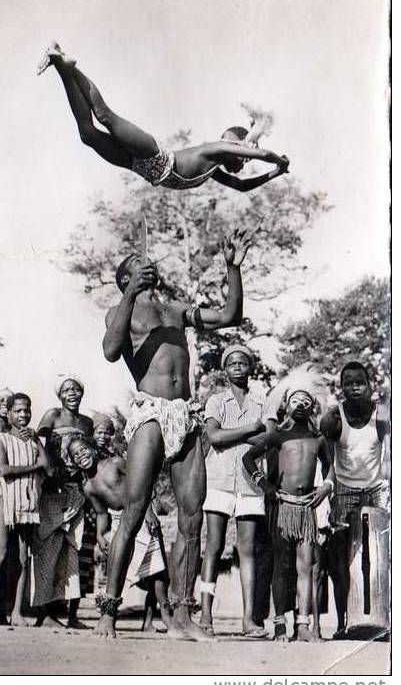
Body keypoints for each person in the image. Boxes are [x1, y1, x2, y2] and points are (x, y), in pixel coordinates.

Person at [96, 229, 251, 640]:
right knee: (133, 511)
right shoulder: (121, 312)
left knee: (192, 515)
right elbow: (111, 351)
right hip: (150, 412)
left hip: (185, 413)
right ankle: (108, 611)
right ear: (124, 278)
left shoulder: (175, 309)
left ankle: (182, 615)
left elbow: (229, 317)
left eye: (145, 262)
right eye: (134, 264)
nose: (146, 264)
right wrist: (130, 293)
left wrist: (233, 269)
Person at [37, 42, 289, 193]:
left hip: (136, 165)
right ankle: (71, 66)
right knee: (104, 115)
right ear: (239, 150)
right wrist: (279, 161)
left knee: (87, 134)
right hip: (152, 154)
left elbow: (241, 186)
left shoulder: (213, 170)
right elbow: (265, 155)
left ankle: (62, 66)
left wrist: (277, 173)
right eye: (242, 159)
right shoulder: (216, 149)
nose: (241, 166)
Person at [243, 385, 335, 642]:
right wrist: (266, 485)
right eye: (296, 400)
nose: (301, 404)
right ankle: (281, 624)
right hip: (283, 506)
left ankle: (302, 625)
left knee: (305, 566)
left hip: (306, 508)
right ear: (286, 405)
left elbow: (330, 469)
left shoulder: (318, 439)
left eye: (306, 400)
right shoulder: (277, 436)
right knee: (282, 567)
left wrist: (326, 487)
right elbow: (248, 459)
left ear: (313, 406)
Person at [199, 344, 277, 638]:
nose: (237, 366)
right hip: (218, 478)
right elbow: (214, 436)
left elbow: (269, 437)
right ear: (224, 369)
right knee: (214, 546)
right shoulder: (216, 401)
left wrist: (248, 430)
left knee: (247, 550)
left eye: (242, 362)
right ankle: (206, 616)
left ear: (250, 367)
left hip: (250, 481)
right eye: (231, 362)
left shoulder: (264, 401)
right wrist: (251, 428)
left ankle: (249, 620)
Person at [68, 435, 172, 633]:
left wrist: (148, 510)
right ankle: (113, 616)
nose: (81, 456)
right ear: (73, 462)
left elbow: (142, 481)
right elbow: (101, 512)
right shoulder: (88, 486)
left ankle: (164, 617)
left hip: (140, 513)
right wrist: (100, 534)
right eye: (75, 455)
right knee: (124, 570)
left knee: (157, 569)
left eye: (83, 450)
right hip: (119, 522)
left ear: (93, 448)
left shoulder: (114, 463)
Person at [320, 361, 390, 639]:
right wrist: (328, 484)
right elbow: (326, 457)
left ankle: (384, 619)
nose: (354, 387)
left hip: (377, 487)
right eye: (348, 383)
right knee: (338, 556)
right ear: (342, 387)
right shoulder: (333, 418)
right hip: (345, 488)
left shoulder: (383, 416)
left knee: (383, 553)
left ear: (370, 384)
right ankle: (343, 621)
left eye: (359, 381)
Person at [0, 393, 52, 626]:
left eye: (27, 410)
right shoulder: (0, 438)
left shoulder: (33, 440)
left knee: (22, 558)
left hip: (28, 500)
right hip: (7, 499)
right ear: (9, 414)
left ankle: (16, 612)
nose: (24, 415)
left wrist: (38, 442)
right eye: (18, 411)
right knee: (0, 553)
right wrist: (35, 466)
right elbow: (3, 470)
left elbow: (49, 469)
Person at [34, 374, 95, 627]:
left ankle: (72, 615)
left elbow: (91, 454)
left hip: (78, 490)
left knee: (75, 550)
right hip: (53, 489)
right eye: (67, 390)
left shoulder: (87, 422)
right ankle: (44, 614)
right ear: (59, 395)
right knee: (49, 549)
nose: (72, 393)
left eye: (76, 389)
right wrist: (49, 471)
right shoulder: (52, 415)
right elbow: (36, 442)